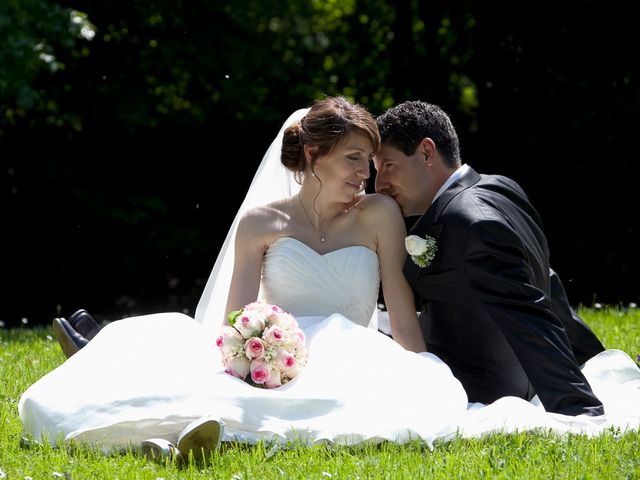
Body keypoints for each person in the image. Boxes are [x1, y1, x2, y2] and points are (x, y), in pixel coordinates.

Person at [18, 96, 470, 459]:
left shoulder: (380, 215)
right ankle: (166, 437)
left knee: (347, 406)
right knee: (225, 397)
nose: (366, 174)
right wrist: (253, 355)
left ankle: (181, 442)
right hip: (278, 358)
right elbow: (235, 319)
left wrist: (423, 370)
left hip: (355, 353)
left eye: (369, 161)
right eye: (355, 158)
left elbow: (401, 313)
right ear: (314, 155)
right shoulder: (260, 223)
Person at [372, 100, 617, 416]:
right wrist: (590, 357)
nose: (379, 185)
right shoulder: (501, 187)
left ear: (426, 152)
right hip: (504, 371)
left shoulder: (469, 223)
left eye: (388, 166)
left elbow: (527, 313)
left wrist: (578, 406)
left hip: (477, 386)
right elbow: (545, 284)